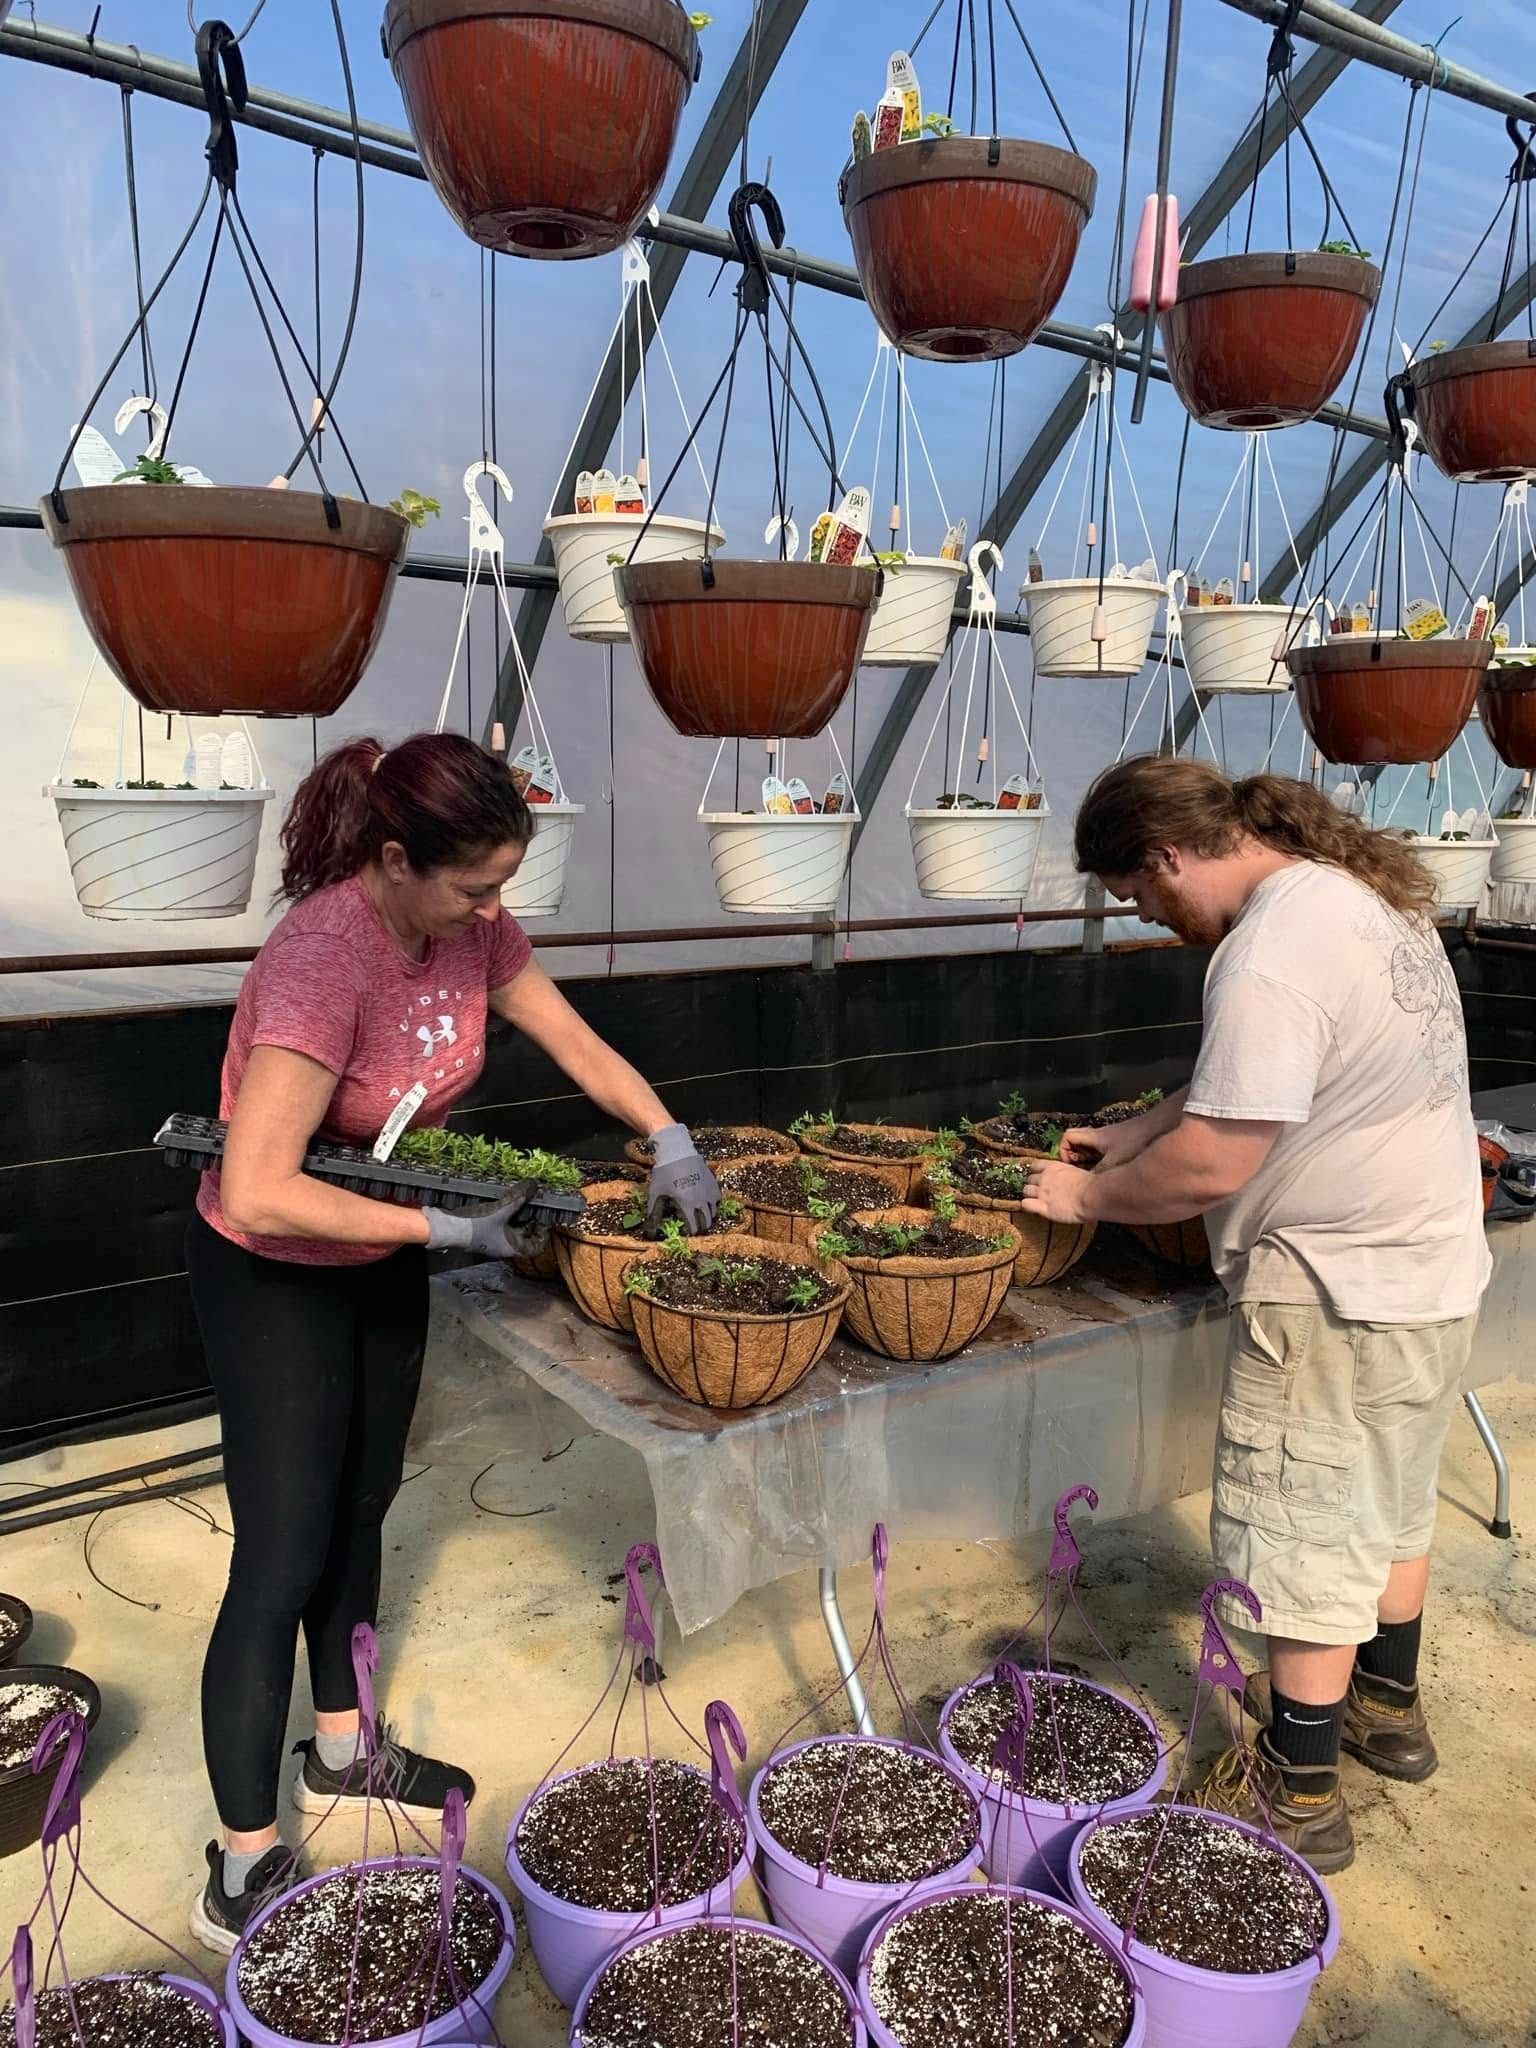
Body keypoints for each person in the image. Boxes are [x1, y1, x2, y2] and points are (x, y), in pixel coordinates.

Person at [185, 733, 720, 1953]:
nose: (496, 911)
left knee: (363, 1505)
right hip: (272, 1273)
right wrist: (442, 1221)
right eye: (476, 886)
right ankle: (241, 1861)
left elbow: (571, 1037)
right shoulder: (324, 956)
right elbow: (262, 1186)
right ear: (392, 859)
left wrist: (669, 1129)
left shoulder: (471, 927)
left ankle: (342, 1747)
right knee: (280, 1554)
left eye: (503, 885)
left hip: (376, 1257)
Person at [1019, 757, 1489, 1874]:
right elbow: (1257, 1084)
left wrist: (1086, 1192)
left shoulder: (1269, 952)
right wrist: (1136, 1129)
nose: (1149, 916)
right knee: (1388, 1507)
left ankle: (1299, 1784)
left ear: (1170, 854)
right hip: (1425, 1277)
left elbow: (1219, 1157)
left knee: (1305, 1531)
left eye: (1140, 895)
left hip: (1331, 1292)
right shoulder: (1349, 894)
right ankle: (1387, 1712)